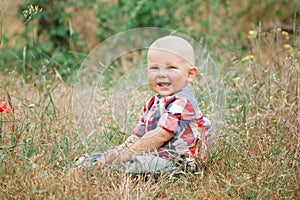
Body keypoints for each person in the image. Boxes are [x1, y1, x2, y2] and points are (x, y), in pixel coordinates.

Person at [73, 35, 212, 175]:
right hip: (156, 154)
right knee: (111, 155)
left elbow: (161, 135)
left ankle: (108, 170)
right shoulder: (155, 103)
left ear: (190, 74)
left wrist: (128, 154)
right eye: (154, 68)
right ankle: (92, 162)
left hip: (179, 161)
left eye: (171, 68)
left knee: (135, 165)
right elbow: (138, 136)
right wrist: (118, 152)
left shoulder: (183, 102)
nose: (161, 74)